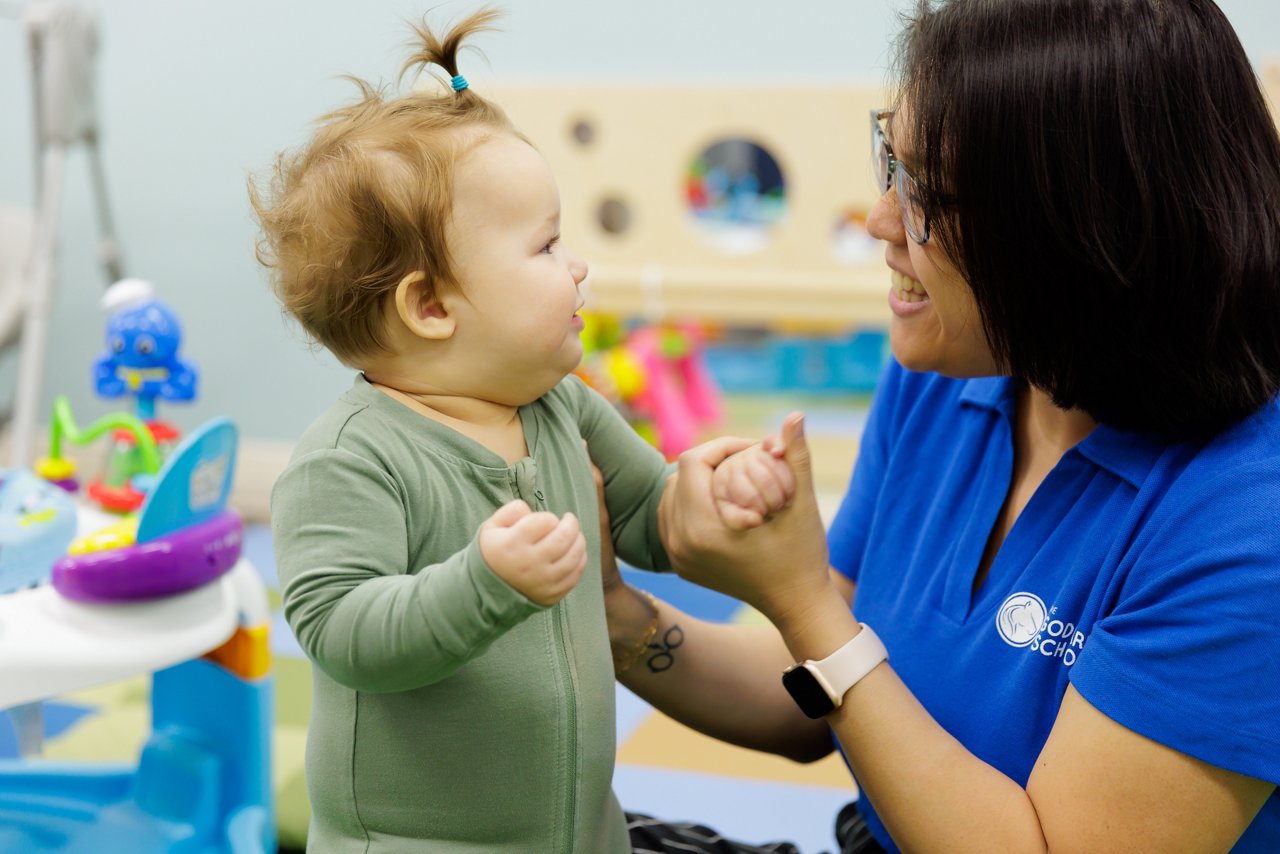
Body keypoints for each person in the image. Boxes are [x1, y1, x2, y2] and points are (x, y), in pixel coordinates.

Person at [603, 1, 1280, 851]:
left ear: (1075, 230)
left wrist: (800, 600)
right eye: (892, 158)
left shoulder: (1247, 521)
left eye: (924, 192)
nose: (881, 220)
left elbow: (839, 657)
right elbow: (818, 700)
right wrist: (614, 612)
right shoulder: (953, 368)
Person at [250, 10, 794, 853]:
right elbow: (339, 632)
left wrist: (714, 491)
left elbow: (649, 519)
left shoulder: (560, 406)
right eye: (545, 247)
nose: (576, 265)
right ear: (431, 307)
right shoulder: (348, 461)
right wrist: (483, 583)